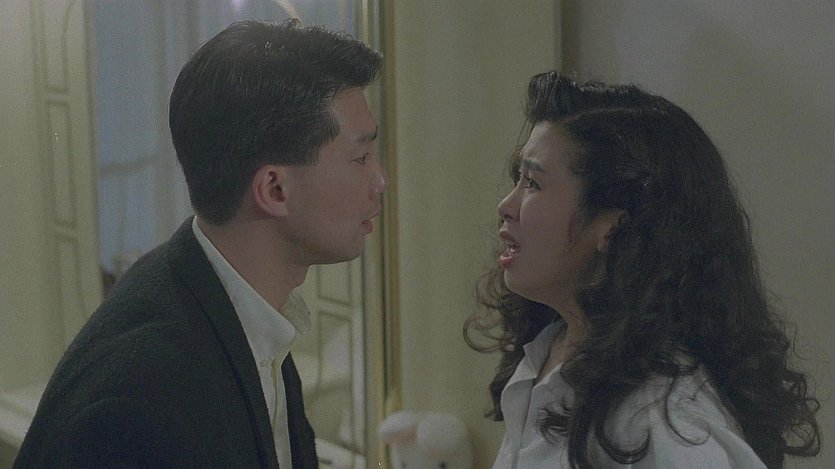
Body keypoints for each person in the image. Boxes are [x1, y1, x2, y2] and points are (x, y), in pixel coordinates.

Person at [15, 19, 385, 468]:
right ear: (274, 189)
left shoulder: (248, 311)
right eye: (361, 157)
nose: (380, 181)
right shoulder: (141, 401)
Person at [466, 72, 820, 469]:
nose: (505, 206)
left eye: (532, 183)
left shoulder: (665, 421)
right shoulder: (550, 351)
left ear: (612, 225)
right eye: (518, 178)